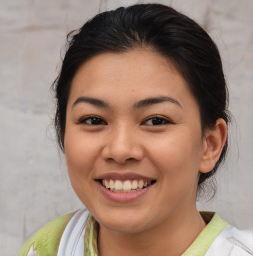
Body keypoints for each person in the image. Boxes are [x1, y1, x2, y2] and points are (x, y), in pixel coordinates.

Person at [18, 3, 253, 256]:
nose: (120, 150)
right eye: (94, 120)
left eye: (156, 121)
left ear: (210, 144)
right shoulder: (49, 247)